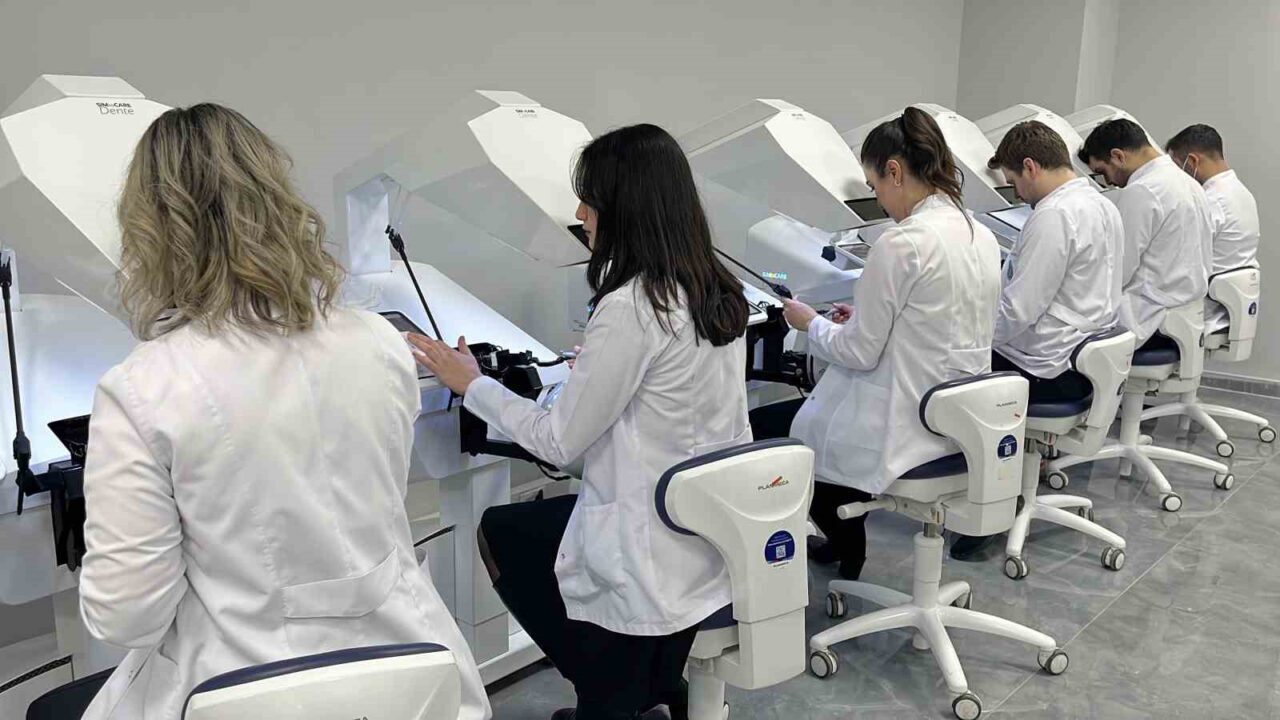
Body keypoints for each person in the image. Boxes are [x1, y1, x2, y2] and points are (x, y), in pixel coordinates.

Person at [70, 105, 489, 720]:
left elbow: (127, 616)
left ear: (151, 230)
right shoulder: (378, 342)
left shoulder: (141, 388)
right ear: (278, 202)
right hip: (410, 676)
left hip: (238, 689)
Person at [411, 124, 752, 720]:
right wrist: (588, 374)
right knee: (536, 528)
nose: (579, 214)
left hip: (644, 548)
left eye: (589, 199)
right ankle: (649, 682)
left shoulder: (632, 306)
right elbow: (669, 401)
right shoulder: (715, 289)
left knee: (502, 530)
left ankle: (609, 690)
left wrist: (473, 385)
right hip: (703, 536)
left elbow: (558, 441)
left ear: (624, 207)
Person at [777, 107, 1002, 582]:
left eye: (874, 185)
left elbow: (859, 353)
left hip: (906, 425)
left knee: (792, 437)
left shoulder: (903, 242)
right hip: (959, 420)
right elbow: (939, 319)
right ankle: (844, 550)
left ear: (895, 172)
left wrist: (809, 323)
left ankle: (846, 552)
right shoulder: (978, 234)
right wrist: (861, 317)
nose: (878, 199)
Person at [950, 120, 1124, 561]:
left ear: (1030, 167)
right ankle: (1005, 488)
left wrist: (963, 339)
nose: (1017, 193)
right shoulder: (1101, 203)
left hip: (1049, 370)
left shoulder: (1053, 215)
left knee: (949, 378)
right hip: (1082, 362)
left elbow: (1017, 312)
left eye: (1013, 182)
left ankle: (988, 508)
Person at [1078, 118, 1214, 349]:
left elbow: (1119, 271)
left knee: (1055, 334)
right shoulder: (1188, 182)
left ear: (1118, 156)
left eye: (1102, 172)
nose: (1108, 181)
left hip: (1148, 318)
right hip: (1183, 311)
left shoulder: (1142, 190)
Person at [1165, 123, 1261, 333]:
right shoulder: (1242, 193)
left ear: (1192, 161)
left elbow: (1181, 264)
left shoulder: (1210, 201)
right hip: (1227, 309)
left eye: (1177, 167)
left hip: (1204, 314)